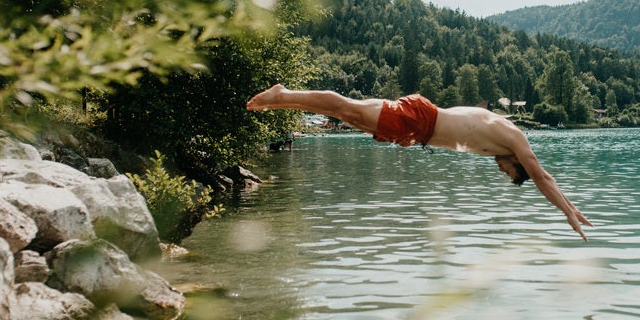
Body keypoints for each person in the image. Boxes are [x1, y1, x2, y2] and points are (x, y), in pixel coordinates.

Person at [246, 85, 592, 241]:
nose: (503, 171)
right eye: (511, 171)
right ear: (517, 162)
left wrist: (571, 205)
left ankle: (282, 101)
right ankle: (283, 95)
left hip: (416, 131)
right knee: (347, 109)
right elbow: (543, 176)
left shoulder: (501, 143)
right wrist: (568, 212)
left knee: (350, 116)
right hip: (419, 121)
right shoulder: (515, 141)